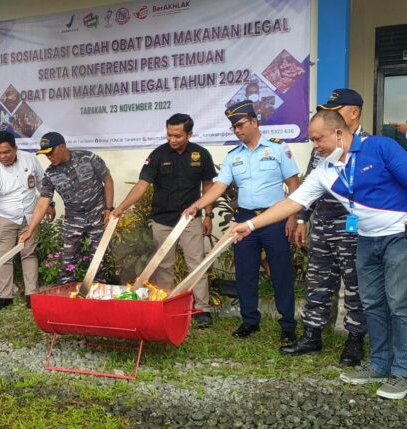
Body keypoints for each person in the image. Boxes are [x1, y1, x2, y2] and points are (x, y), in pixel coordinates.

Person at [229, 109, 407, 400]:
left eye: (317, 139)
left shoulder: (380, 147)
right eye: (312, 140)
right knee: (373, 303)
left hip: (398, 236)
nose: (315, 145)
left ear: (338, 133)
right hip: (365, 240)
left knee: (399, 303)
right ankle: (379, 364)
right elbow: (292, 202)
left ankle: (402, 370)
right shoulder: (325, 169)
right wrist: (249, 225)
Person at [183, 100, 300, 342]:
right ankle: (249, 321)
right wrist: (197, 206)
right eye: (233, 127)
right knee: (245, 273)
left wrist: (293, 217)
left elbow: (293, 184)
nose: (237, 130)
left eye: (240, 125)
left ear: (254, 122)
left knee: (281, 272)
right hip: (244, 220)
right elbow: (219, 187)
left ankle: (288, 324)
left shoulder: (278, 148)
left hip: (274, 218)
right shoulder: (233, 156)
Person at [282, 89, 369, 364]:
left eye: (336, 110)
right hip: (322, 223)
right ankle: (312, 335)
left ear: (353, 113)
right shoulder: (322, 144)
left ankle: (355, 340)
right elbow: (311, 184)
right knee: (317, 280)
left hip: (352, 225)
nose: (329, 116)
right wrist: (301, 218)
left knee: (354, 283)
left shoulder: (368, 145)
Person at [113, 113, 217, 327]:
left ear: (189, 134)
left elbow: (208, 187)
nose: (172, 139)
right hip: (162, 220)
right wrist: (122, 206)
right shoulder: (158, 155)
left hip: (190, 219)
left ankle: (202, 309)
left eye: (178, 136)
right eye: (169, 135)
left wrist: (208, 215)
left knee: (196, 264)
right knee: (163, 266)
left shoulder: (201, 155)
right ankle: (167, 305)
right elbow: (142, 185)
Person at [0, 130, 54, 311]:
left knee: (29, 254)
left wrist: (50, 203)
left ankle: (31, 294)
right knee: (4, 257)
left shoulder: (29, 160)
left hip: (30, 216)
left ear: (15, 148)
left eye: (7, 152)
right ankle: (5, 296)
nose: (3, 156)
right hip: (4, 219)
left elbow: (42, 182)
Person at [19, 132, 115, 285]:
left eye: (51, 152)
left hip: (98, 215)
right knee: (67, 261)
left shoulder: (88, 158)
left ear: (62, 147)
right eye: (45, 154)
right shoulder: (50, 173)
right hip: (73, 219)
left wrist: (109, 209)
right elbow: (43, 202)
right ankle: (66, 293)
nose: (49, 156)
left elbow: (107, 180)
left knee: (99, 259)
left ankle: (99, 292)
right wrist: (30, 230)